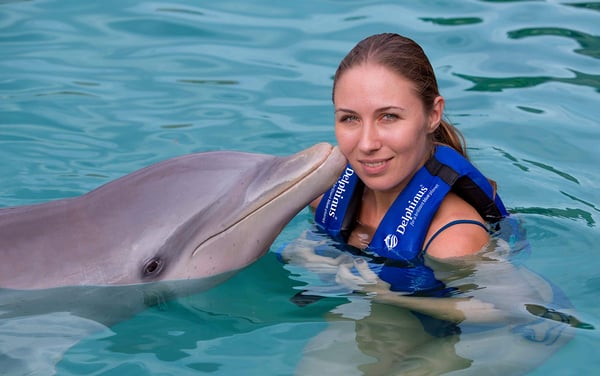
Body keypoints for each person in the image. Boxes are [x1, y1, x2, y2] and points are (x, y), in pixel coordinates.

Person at [311, 32, 508, 265]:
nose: (366, 144)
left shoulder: (455, 240)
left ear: (433, 115)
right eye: (350, 118)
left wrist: (384, 293)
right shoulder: (323, 195)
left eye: (389, 116)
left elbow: (497, 303)